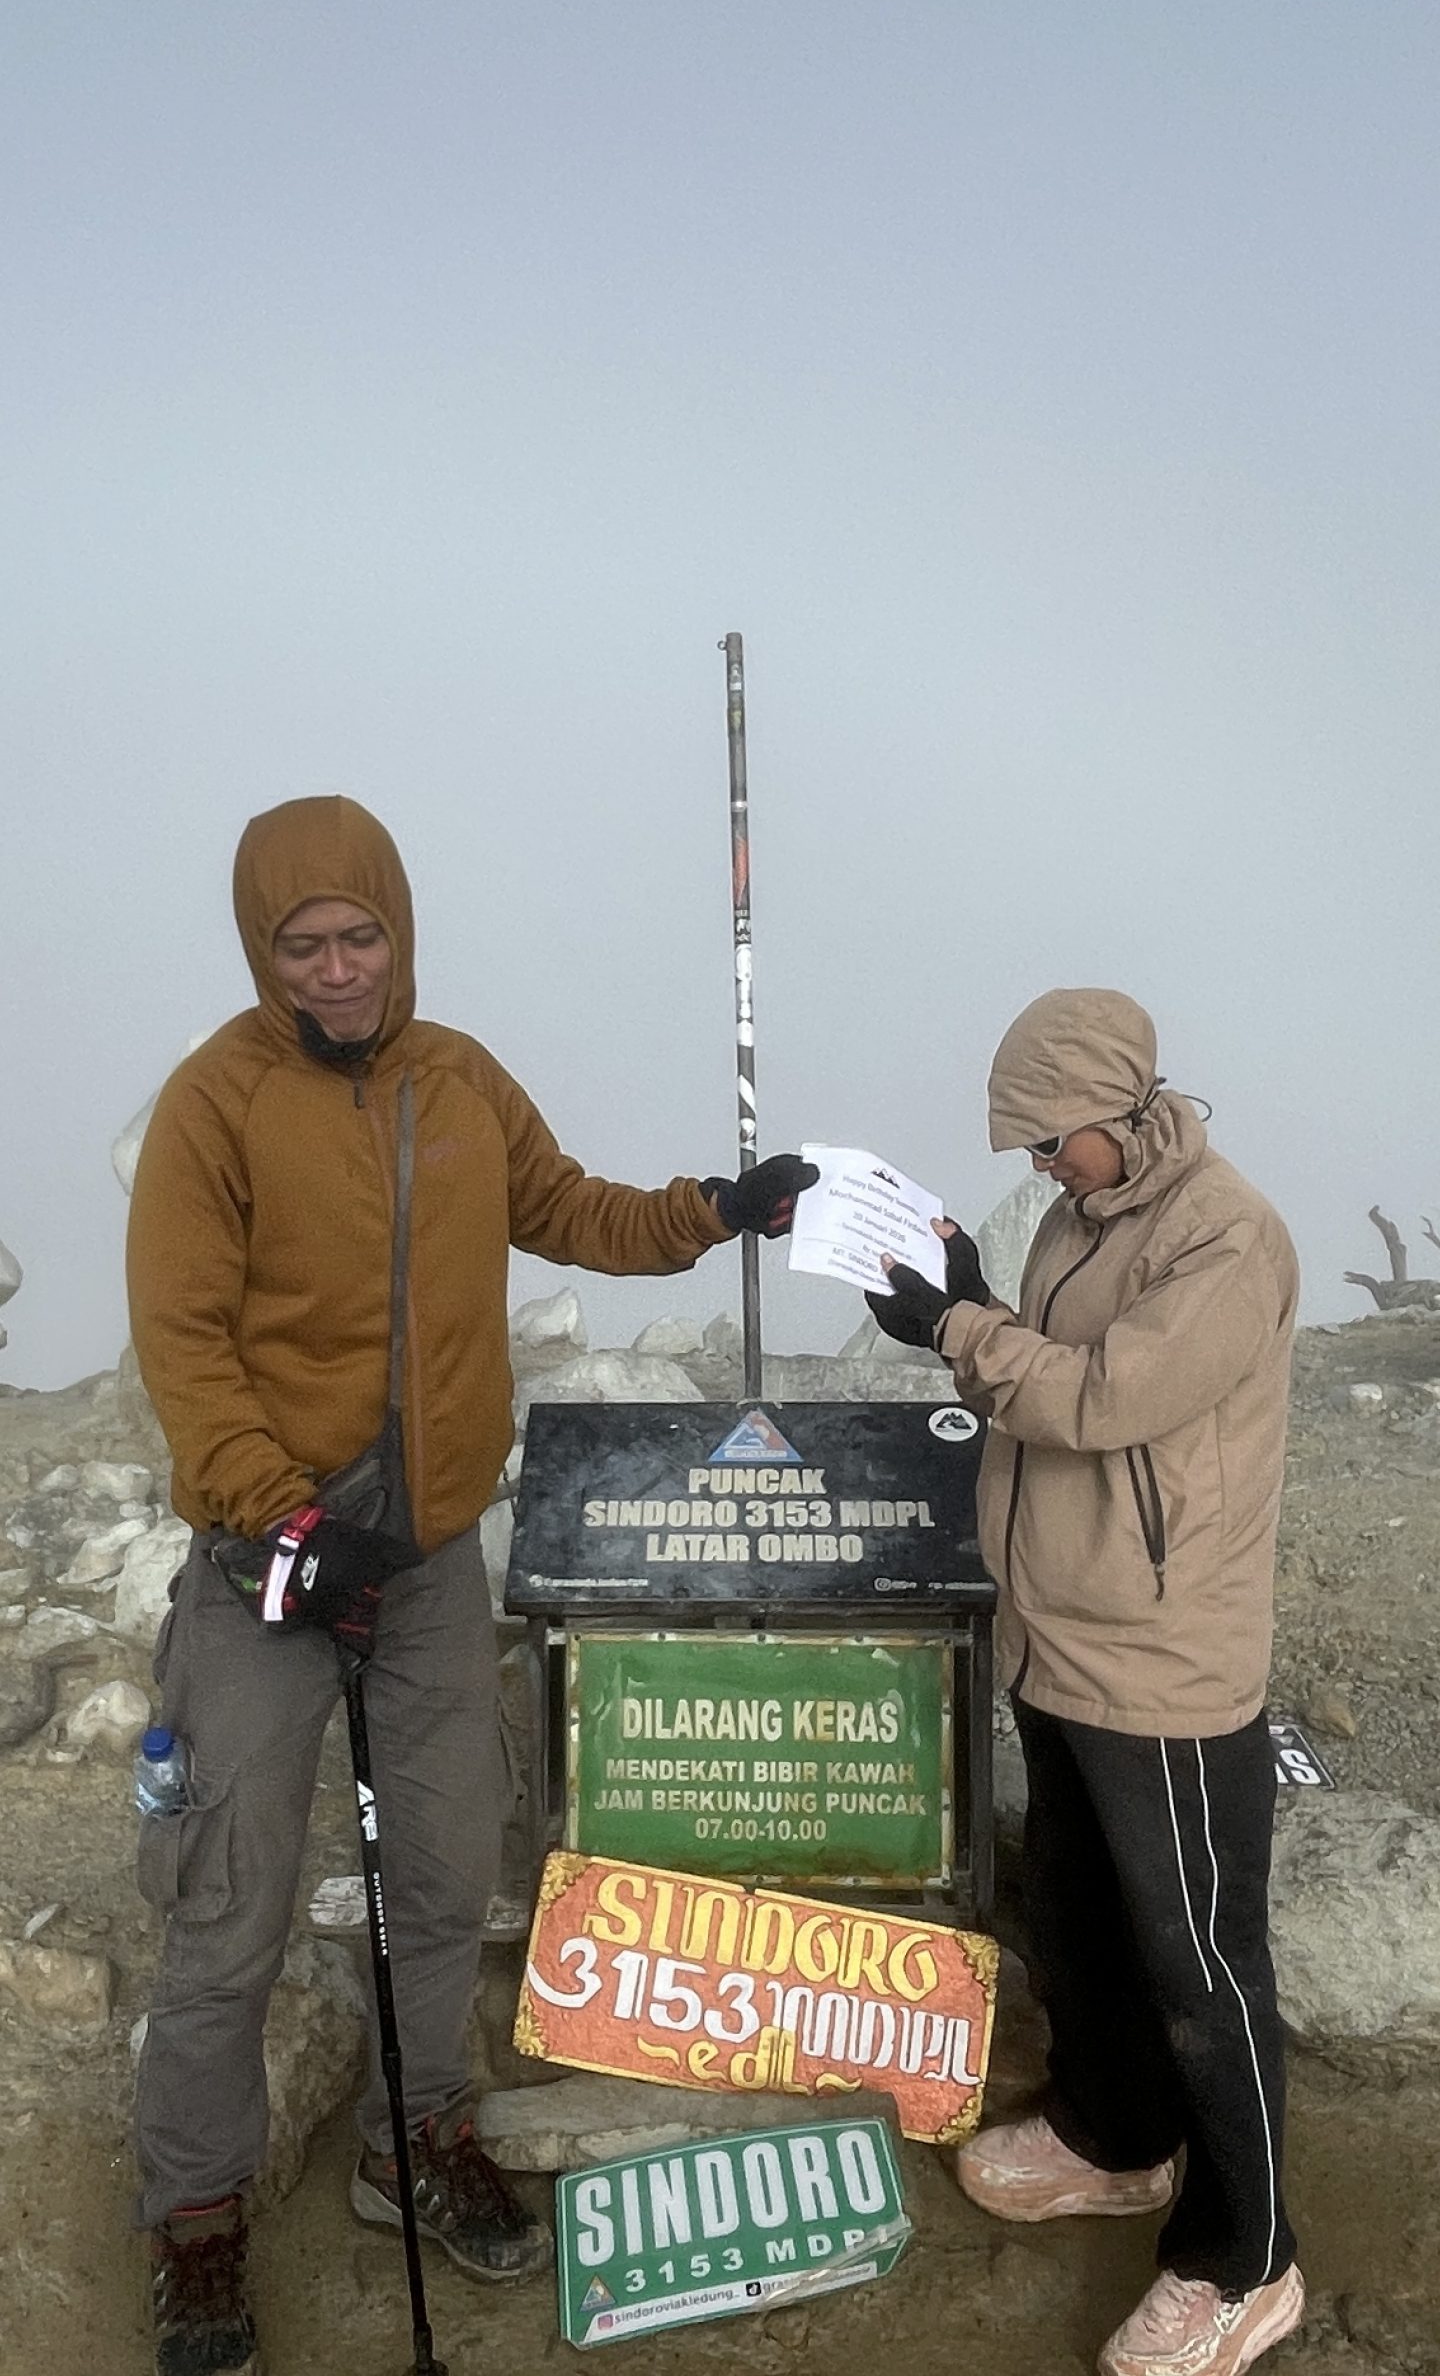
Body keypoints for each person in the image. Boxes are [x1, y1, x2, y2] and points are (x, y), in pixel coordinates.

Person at [126, 793, 815, 2376]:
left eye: (360, 934)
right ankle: (196, 2221)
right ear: (262, 951)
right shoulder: (212, 1107)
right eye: (302, 944)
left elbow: (565, 1209)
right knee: (225, 1907)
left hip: (428, 1554)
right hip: (271, 1560)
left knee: (441, 1869)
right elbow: (185, 1343)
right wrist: (282, 1526)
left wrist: (713, 1212)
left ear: (399, 930)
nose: (338, 969)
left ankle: (409, 2138)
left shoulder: (457, 1078)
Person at [869, 987, 1305, 2376]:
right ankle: (1118, 2139)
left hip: (1164, 1660)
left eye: (1052, 1142)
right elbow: (1042, 1362)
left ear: (1121, 1110)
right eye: (1029, 1151)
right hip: (1059, 1632)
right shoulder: (1086, 1213)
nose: (1039, 1169)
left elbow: (1100, 1398)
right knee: (1081, 1911)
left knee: (1201, 1966)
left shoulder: (1228, 1236)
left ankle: (1248, 2259)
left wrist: (960, 1330)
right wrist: (970, 1292)